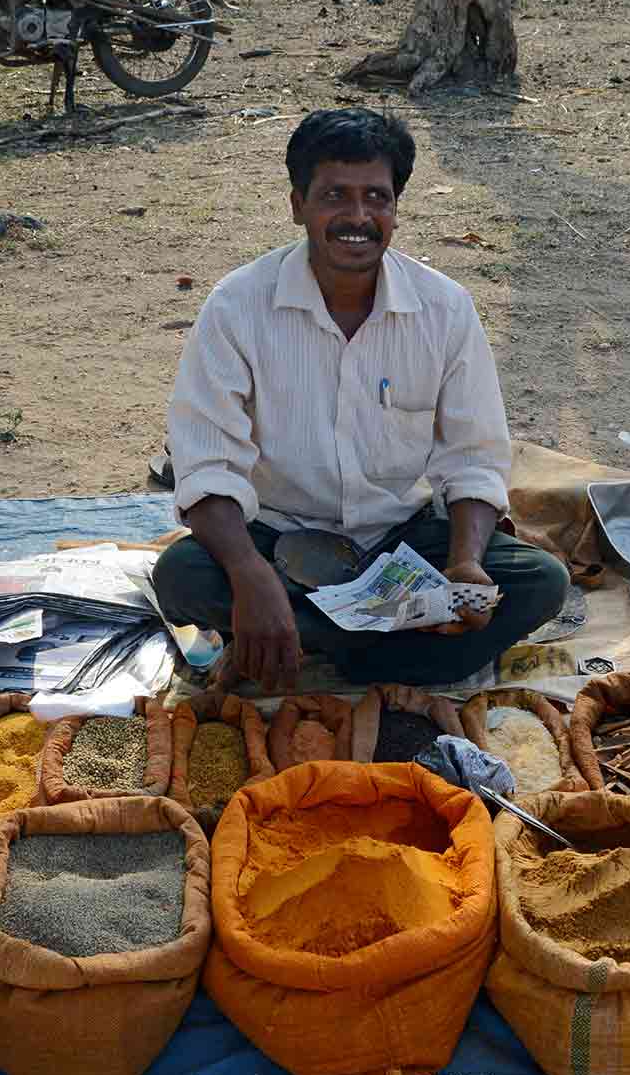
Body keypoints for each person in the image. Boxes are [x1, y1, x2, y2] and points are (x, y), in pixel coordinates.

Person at [153, 107, 570, 689]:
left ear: (396, 208)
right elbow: (207, 462)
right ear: (298, 204)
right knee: (181, 576)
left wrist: (465, 563)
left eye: (377, 197)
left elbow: (472, 459)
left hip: (402, 543)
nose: (358, 217)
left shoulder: (445, 310)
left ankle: (321, 644)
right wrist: (251, 576)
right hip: (281, 545)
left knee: (541, 580)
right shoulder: (237, 307)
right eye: (334, 196)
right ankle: (386, 653)